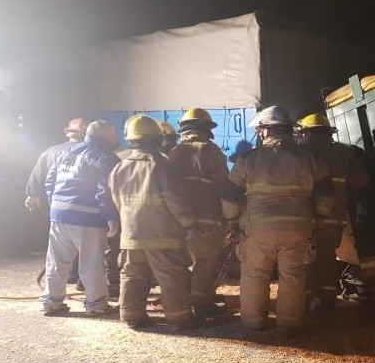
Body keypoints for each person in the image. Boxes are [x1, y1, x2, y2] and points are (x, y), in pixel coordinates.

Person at [221, 106, 333, 334]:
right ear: (288, 130)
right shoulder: (310, 158)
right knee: (293, 276)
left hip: (258, 230)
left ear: (264, 130)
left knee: (254, 274)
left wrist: (232, 220)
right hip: (297, 229)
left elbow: (230, 195)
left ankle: (253, 322)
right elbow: (325, 194)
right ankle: (290, 324)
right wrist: (319, 219)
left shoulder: (249, 159)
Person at [108, 114, 198, 330]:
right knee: (172, 277)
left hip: (131, 235)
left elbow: (118, 202)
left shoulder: (119, 168)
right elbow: (175, 200)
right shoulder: (162, 166)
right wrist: (189, 224)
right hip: (163, 235)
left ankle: (131, 317)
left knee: (132, 275)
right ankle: (179, 319)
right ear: (156, 139)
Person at [39, 120, 120, 316]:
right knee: (92, 263)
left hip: (59, 215)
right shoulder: (107, 158)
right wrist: (111, 217)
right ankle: (96, 304)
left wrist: (56, 206)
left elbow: (50, 181)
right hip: (89, 218)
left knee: (57, 262)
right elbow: (105, 191)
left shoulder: (66, 152)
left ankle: (51, 302)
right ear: (108, 136)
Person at [296, 113, 369, 318]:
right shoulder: (344, 152)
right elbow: (360, 181)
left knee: (303, 259)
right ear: (328, 132)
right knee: (327, 259)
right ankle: (327, 304)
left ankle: (304, 303)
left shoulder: (299, 152)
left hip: (303, 219)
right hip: (332, 219)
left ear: (304, 132)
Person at [168, 107, 234, 320]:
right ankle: (200, 305)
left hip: (178, 222)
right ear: (207, 128)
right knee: (205, 263)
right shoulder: (210, 151)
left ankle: (191, 299)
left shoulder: (174, 153)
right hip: (207, 221)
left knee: (188, 264)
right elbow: (224, 188)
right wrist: (232, 219)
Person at [25, 117, 88, 288]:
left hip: (57, 209)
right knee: (87, 248)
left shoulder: (50, 152)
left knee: (59, 250)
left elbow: (36, 179)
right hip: (85, 210)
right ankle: (83, 281)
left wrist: (32, 196)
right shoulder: (93, 152)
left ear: (67, 131)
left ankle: (60, 286)